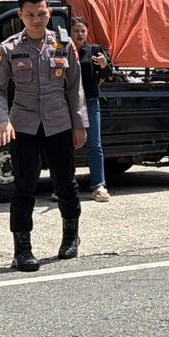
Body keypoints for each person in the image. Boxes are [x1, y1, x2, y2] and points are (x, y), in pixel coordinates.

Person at [0, 0, 88, 272]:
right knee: (23, 187)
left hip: (59, 123)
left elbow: (74, 87)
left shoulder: (63, 46)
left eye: (41, 13)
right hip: (24, 126)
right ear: (20, 15)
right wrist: (3, 121)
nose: (36, 19)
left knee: (65, 183)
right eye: (30, 14)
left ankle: (71, 236)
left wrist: (80, 124)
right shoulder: (8, 48)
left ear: (49, 13)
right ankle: (22, 249)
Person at [71, 17, 113, 202]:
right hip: (68, 103)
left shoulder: (94, 50)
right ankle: (63, 185)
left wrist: (104, 65)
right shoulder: (62, 50)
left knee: (94, 144)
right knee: (66, 144)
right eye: (76, 31)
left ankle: (99, 186)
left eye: (83, 31)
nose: (80, 34)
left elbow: (107, 74)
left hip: (90, 101)